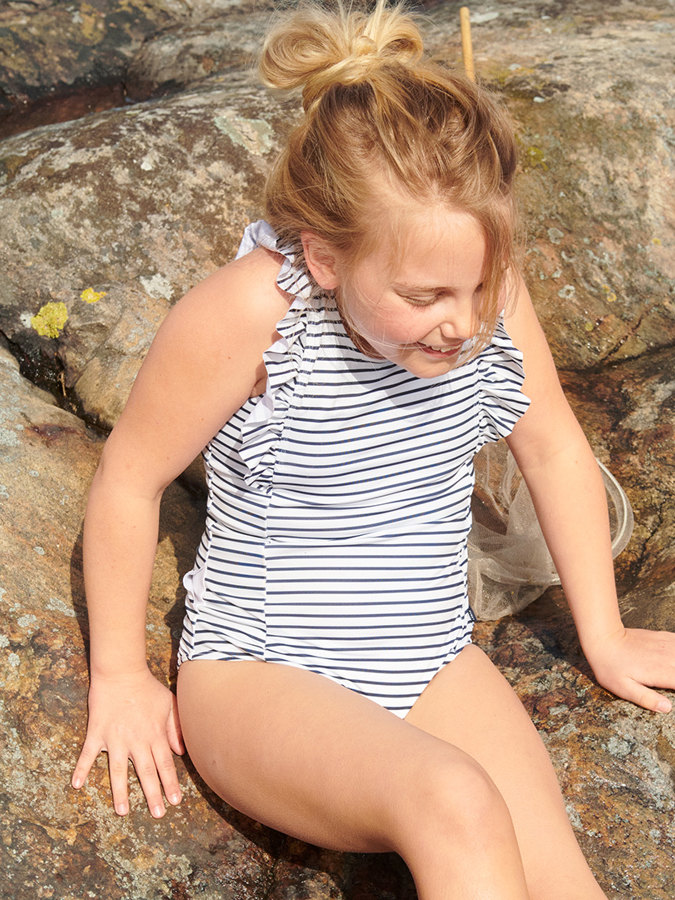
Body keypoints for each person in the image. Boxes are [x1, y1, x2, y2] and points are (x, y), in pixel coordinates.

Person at [71, 3, 675, 897]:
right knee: (453, 799)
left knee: (562, 880)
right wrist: (119, 674)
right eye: (424, 296)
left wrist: (606, 633)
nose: (461, 323)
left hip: (429, 655)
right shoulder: (255, 315)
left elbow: (551, 447)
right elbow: (130, 478)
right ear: (325, 257)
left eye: (478, 287)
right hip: (261, 673)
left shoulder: (489, 303)